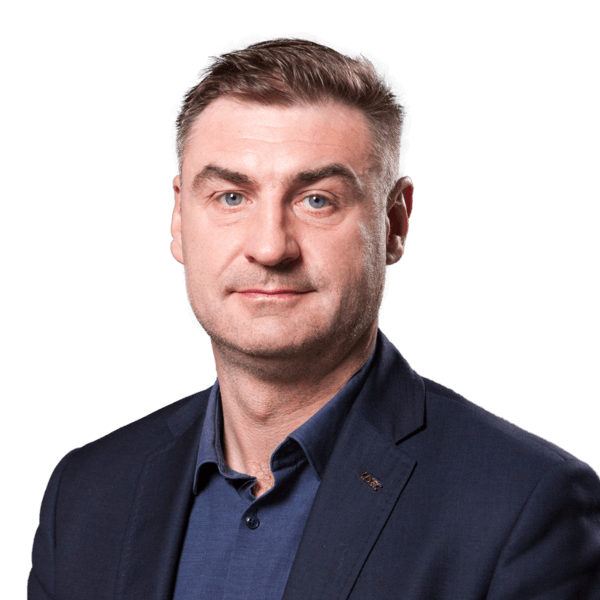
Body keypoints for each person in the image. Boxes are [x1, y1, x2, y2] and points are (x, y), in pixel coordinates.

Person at [28, 36, 600, 600]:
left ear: (395, 223)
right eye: (231, 197)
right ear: (179, 218)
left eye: (317, 199)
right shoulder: (84, 492)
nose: (270, 248)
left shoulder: (525, 503)